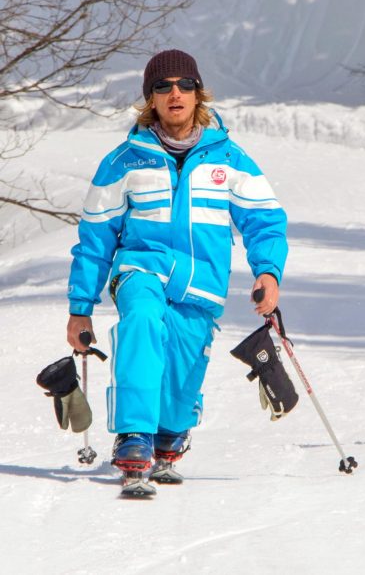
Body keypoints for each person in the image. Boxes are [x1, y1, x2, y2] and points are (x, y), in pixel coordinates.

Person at [66, 49, 288, 479]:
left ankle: (168, 432)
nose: (175, 93)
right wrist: (80, 307)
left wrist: (268, 271)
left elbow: (264, 220)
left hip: (200, 283)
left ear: (198, 94)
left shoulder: (227, 158)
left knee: (181, 383)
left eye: (184, 85)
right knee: (143, 320)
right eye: (162, 86)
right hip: (140, 270)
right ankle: (133, 433)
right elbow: (94, 238)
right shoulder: (123, 161)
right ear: (150, 98)